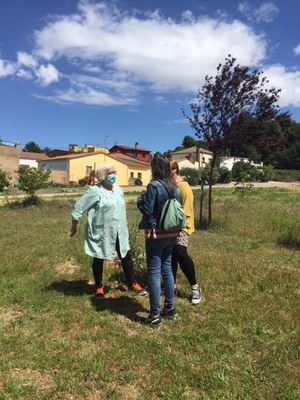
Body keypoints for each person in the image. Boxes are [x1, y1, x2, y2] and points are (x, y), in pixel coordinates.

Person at [70, 163, 147, 300]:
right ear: (102, 175)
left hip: (119, 229)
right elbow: (79, 207)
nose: (113, 175)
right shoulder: (95, 191)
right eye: (110, 173)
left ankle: (133, 283)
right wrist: (74, 226)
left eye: (114, 172)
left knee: (126, 255)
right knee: (99, 256)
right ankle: (99, 287)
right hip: (103, 231)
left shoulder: (118, 190)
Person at [137, 153, 181, 327]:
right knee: (167, 269)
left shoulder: (154, 186)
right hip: (171, 233)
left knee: (154, 272)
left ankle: (155, 315)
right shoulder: (175, 187)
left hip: (155, 234)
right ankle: (169, 308)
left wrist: (140, 201)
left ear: (155, 168)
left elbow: (147, 210)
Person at [170, 160, 202, 305]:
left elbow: (187, 209)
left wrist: (182, 228)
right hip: (169, 227)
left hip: (182, 227)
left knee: (181, 254)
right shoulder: (169, 185)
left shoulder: (184, 186)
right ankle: (172, 285)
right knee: (172, 256)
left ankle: (195, 288)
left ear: (174, 170)